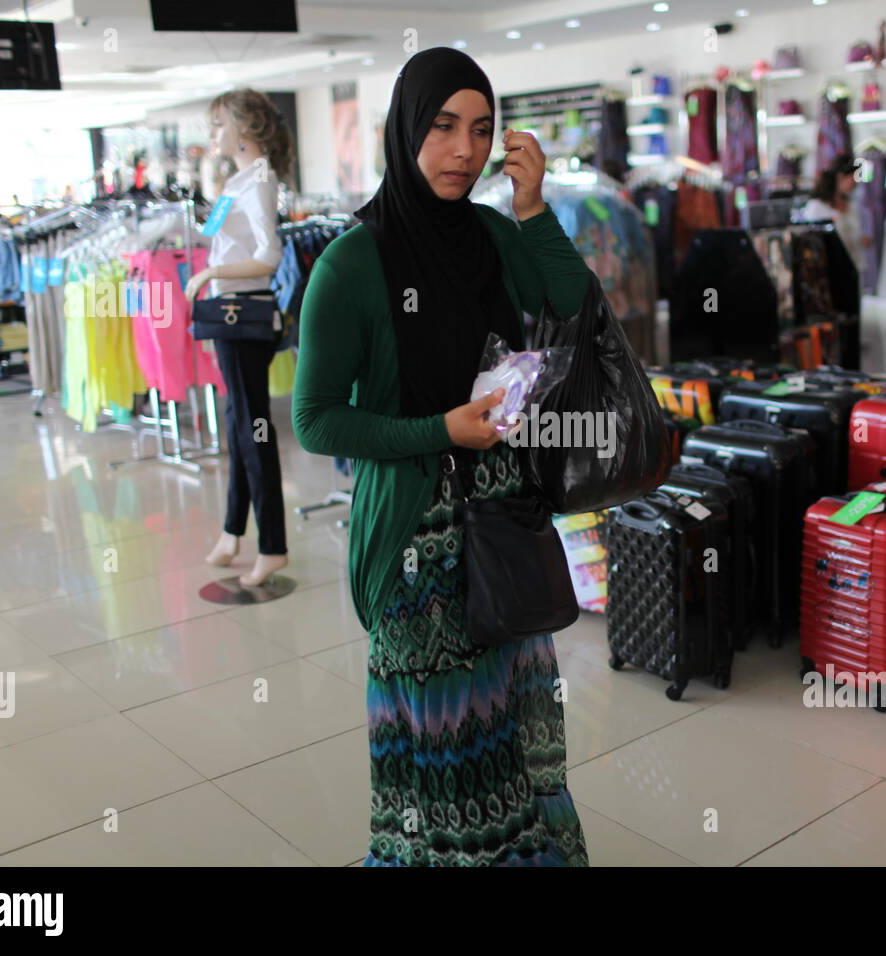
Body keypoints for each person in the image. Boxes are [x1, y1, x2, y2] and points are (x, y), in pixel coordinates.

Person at [292, 47, 592, 867]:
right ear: (403, 131)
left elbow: (572, 303)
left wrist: (532, 205)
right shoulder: (352, 263)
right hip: (415, 550)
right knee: (443, 752)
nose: (464, 149)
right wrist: (438, 430)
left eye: (483, 130)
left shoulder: (493, 232)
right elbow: (315, 420)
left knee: (510, 734)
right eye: (444, 126)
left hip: (502, 529)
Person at [184, 89, 292, 588]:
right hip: (231, 316)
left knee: (253, 428)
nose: (214, 135)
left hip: (241, 314)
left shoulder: (261, 181)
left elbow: (270, 256)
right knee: (237, 424)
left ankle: (272, 545)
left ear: (245, 127)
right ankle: (233, 532)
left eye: (218, 124)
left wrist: (210, 274)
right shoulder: (242, 180)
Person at [799, 153, 871, 275]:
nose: (856, 183)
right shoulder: (816, 207)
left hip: (853, 267)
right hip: (830, 270)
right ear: (840, 176)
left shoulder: (852, 205)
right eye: (854, 178)